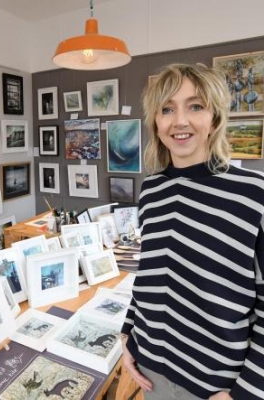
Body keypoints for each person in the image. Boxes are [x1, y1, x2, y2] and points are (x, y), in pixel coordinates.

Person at [121, 63, 264, 400]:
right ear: (156, 122)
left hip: (215, 387)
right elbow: (150, 275)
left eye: (195, 106)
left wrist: (244, 393)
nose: (180, 121)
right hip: (150, 371)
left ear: (214, 118)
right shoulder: (151, 190)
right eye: (167, 109)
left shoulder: (254, 195)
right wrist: (128, 334)